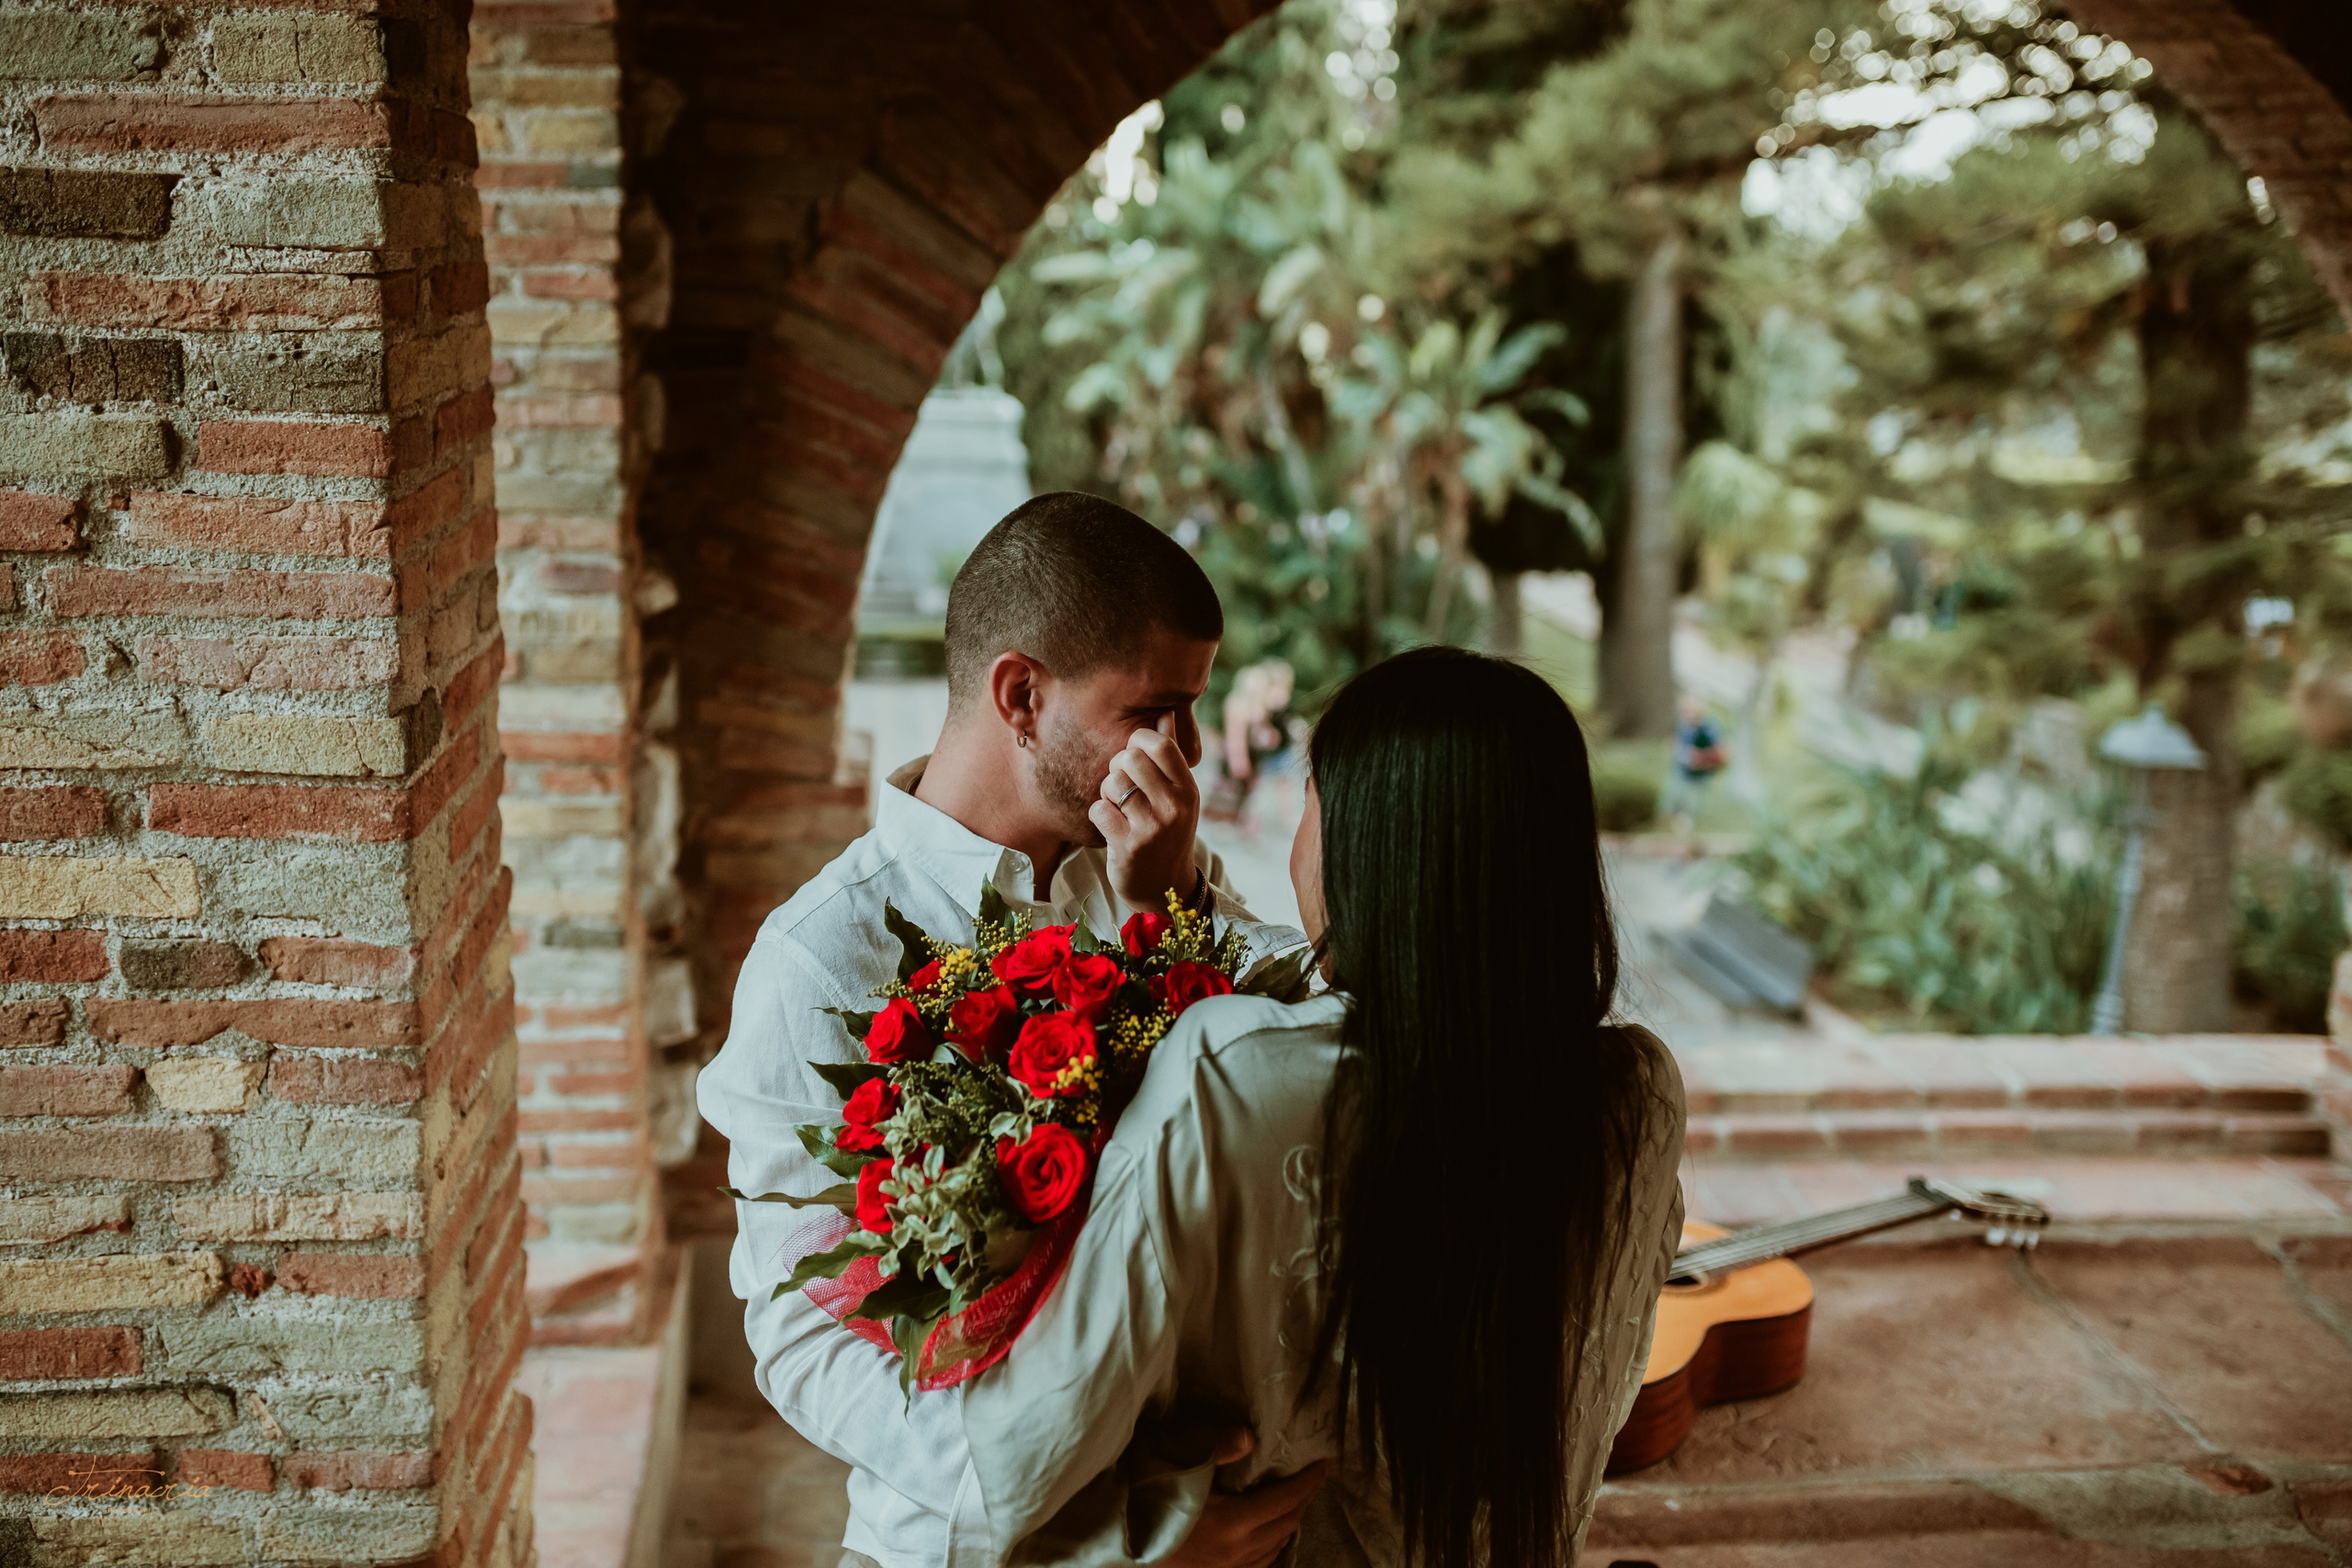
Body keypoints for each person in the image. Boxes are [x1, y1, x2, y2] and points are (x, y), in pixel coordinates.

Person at [962, 646, 1688, 1568]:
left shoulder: (1231, 1071)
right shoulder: (1637, 1092)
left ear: (1361, 839)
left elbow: (1024, 1453)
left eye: (1311, 795)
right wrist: (1166, 903)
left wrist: (1135, 1545)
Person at [697, 492, 1314, 1568]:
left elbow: (1286, 1055)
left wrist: (1161, 916)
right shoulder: (820, 955)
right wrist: (1112, 1541)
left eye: (1197, 709)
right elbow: (805, 1342)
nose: (1193, 750)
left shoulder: (1161, 871)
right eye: (1155, 711)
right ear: (1021, 695)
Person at [1663, 694, 1727, 832]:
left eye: (1690, 710)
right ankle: (1672, 820)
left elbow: (1720, 750)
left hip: (1698, 774)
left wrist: (1701, 758)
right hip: (1681, 771)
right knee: (1671, 799)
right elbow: (1674, 747)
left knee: (1691, 801)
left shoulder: (1709, 727)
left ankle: (1687, 821)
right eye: (1685, 710)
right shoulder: (1682, 727)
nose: (1687, 713)